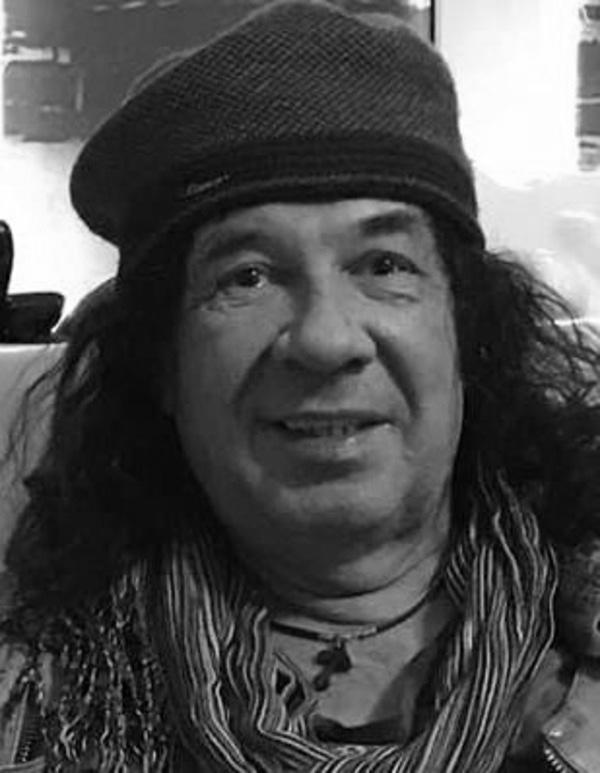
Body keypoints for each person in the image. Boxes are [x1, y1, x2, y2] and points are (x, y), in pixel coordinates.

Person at [0, 1, 599, 770]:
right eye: (247, 276)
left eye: (384, 265)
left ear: (465, 329)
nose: (325, 339)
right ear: (163, 364)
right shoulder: (41, 697)